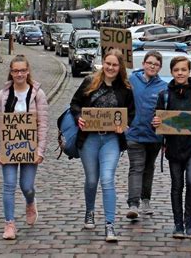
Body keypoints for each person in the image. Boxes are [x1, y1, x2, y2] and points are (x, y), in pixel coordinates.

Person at [70, 49, 134, 242]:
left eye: (115, 65)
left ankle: (109, 224)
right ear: (103, 63)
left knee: (107, 179)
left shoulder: (126, 89)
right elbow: (75, 104)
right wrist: (79, 117)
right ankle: (89, 211)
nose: (111, 68)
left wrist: (124, 126)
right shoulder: (90, 82)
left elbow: (131, 114)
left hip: (111, 140)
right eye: (108, 64)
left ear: (120, 67)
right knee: (91, 180)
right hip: (89, 138)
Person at [0, 55, 49, 240]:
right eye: (15, 71)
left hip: (30, 149)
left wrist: (40, 151)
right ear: (11, 72)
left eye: (22, 70)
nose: (19, 74)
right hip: (8, 149)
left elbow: (43, 124)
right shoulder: (3, 95)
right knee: (9, 185)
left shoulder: (37, 94)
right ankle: (9, 224)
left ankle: (30, 202)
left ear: (28, 71)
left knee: (26, 186)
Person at [152, 56, 191, 239]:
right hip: (174, 148)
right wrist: (156, 122)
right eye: (176, 70)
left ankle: (189, 220)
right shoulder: (165, 95)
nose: (180, 73)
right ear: (171, 72)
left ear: (189, 71)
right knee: (177, 185)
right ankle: (178, 223)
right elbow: (157, 121)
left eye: (183, 70)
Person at [125, 51, 167, 220]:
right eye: (149, 63)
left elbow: (167, 112)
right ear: (143, 63)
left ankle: (146, 200)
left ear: (160, 68)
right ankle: (133, 204)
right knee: (136, 167)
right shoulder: (131, 81)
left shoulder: (163, 87)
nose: (152, 66)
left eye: (156, 64)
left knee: (148, 168)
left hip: (153, 137)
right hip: (134, 134)